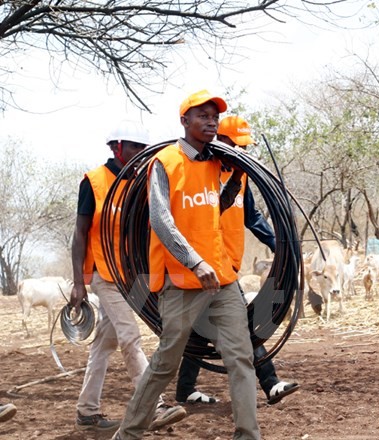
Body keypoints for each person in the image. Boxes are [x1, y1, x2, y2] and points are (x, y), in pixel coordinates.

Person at [112, 90, 261, 440]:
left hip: (221, 280)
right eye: (203, 115)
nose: (212, 121)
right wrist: (194, 262)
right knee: (166, 363)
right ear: (184, 121)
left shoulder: (215, 162)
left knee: (240, 358)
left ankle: (248, 435)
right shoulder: (165, 162)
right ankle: (128, 434)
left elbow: (216, 210)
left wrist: (237, 177)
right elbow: (161, 220)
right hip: (181, 282)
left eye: (215, 116)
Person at [69, 121, 186, 433]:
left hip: (129, 276)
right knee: (130, 336)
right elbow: (80, 233)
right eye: (134, 147)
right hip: (104, 275)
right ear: (116, 147)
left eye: (142, 149)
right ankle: (156, 405)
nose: (139, 154)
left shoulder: (139, 185)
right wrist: (79, 281)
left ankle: (87, 411)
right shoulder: (93, 182)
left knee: (103, 345)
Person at [175, 115, 299, 406]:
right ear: (221, 142)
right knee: (240, 326)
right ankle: (270, 383)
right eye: (237, 145)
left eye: (245, 146)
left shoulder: (240, 178)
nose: (242, 152)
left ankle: (184, 389)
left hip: (227, 267)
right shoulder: (202, 173)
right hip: (201, 267)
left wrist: (279, 243)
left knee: (198, 331)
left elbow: (252, 216)